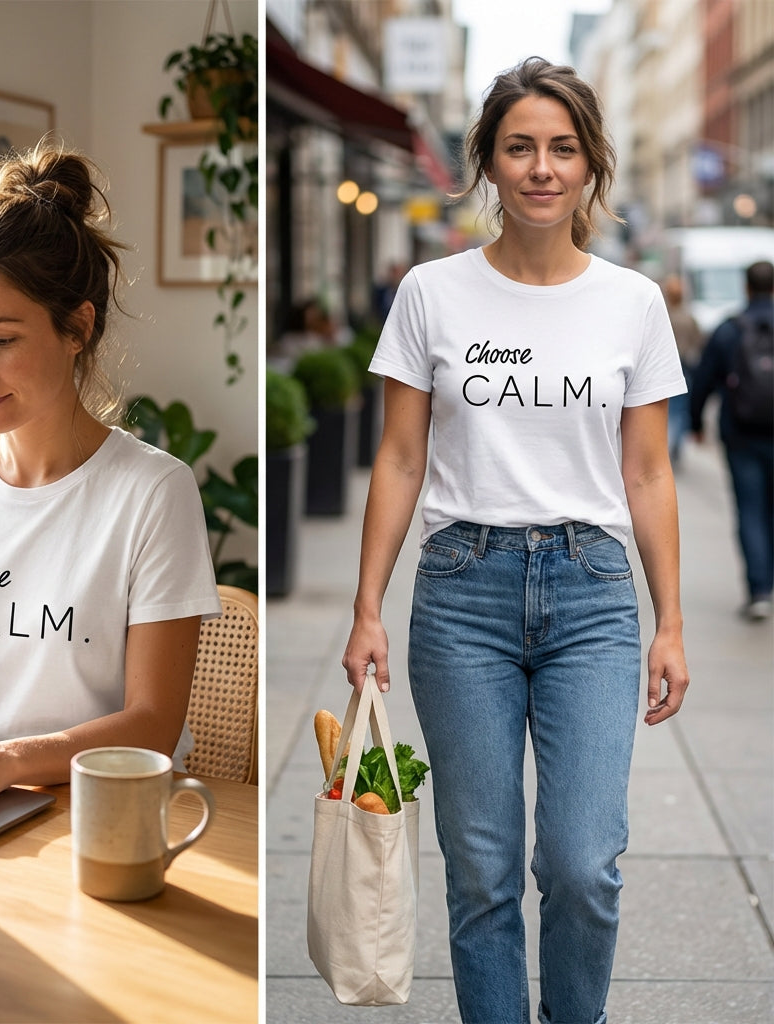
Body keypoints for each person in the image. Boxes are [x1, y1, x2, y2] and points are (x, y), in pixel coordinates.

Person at [341, 58, 689, 1024]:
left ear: (590, 167)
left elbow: (650, 473)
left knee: (583, 864)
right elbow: (402, 458)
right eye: (521, 147)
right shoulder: (429, 292)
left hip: (591, 591)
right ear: (489, 163)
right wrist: (368, 606)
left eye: (562, 148)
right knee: (482, 869)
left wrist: (670, 623)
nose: (542, 167)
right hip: (462, 593)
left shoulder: (632, 303)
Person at [0, 143, 221, 821]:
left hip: (110, 811)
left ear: (76, 329)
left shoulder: (153, 492)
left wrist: (3, 760)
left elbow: (150, 724)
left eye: (0, 339)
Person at [689, 260, 774, 620]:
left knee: (750, 509)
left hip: (740, 434)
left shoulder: (729, 330)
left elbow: (704, 379)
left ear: (746, 287)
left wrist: (696, 422)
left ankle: (759, 591)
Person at [662, 273, 704, 465]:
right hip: (685, 367)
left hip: (664, 367)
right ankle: (676, 445)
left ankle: (669, 445)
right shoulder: (689, 318)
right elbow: (698, 343)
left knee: (668, 410)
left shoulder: (664, 316)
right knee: (681, 408)